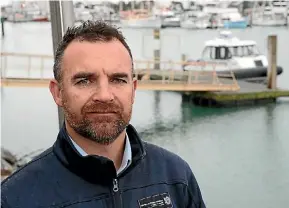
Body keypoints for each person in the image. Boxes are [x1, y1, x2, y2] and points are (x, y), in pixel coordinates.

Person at [1, 20, 206, 208]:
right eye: (84, 81)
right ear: (58, 93)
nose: (105, 95)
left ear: (133, 90)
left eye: (118, 80)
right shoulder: (16, 198)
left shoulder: (176, 176)